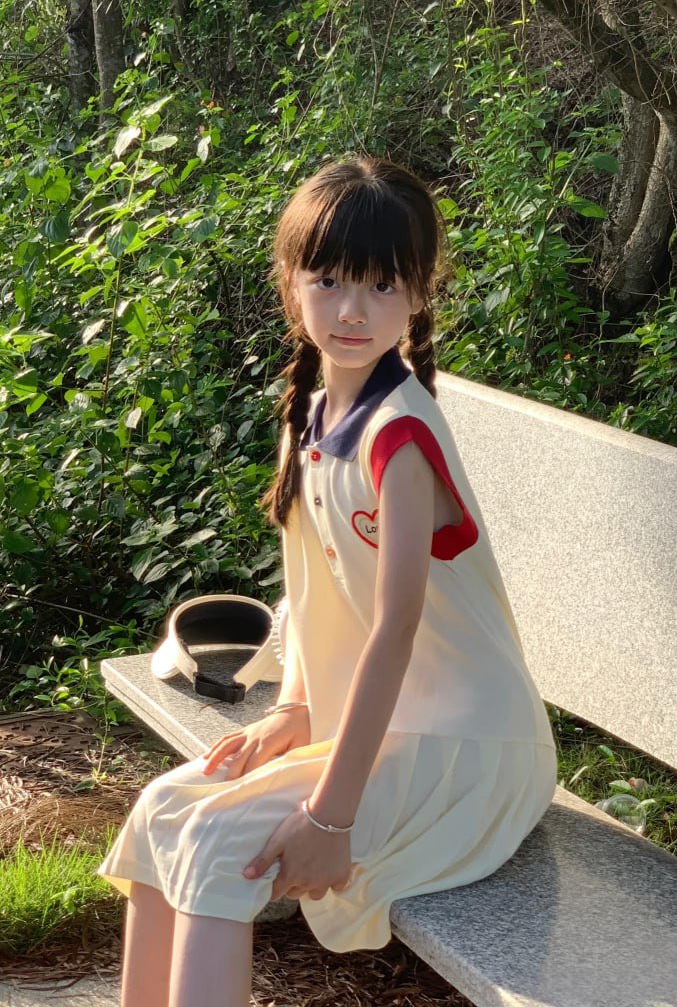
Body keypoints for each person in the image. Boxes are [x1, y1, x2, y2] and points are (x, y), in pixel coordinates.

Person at [97, 155, 557, 1007]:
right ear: (290, 284)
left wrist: (331, 818)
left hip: (471, 751)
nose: (353, 310)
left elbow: (395, 628)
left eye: (384, 286)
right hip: (392, 733)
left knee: (217, 848)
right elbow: (313, 595)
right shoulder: (317, 412)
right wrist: (293, 710)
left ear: (420, 294)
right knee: (160, 814)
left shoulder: (400, 438)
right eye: (331, 279)